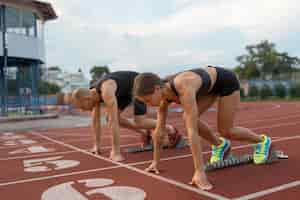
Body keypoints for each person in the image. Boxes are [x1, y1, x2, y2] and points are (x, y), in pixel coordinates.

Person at [133, 66, 272, 190]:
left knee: (226, 130)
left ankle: (262, 141)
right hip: (208, 89)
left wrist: (199, 171)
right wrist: (155, 162)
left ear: (157, 89)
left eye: (148, 100)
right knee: (187, 118)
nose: (149, 105)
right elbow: (158, 132)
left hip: (225, 82)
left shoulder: (183, 86)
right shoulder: (163, 99)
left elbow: (192, 130)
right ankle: (219, 145)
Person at [71, 71, 181, 162]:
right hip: (123, 92)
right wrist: (97, 146)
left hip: (136, 86)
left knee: (139, 121)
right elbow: (95, 122)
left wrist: (116, 152)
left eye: (81, 107)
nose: (82, 110)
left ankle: (170, 129)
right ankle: (145, 132)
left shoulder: (106, 90)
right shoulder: (93, 93)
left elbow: (113, 123)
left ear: (86, 100)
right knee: (110, 118)